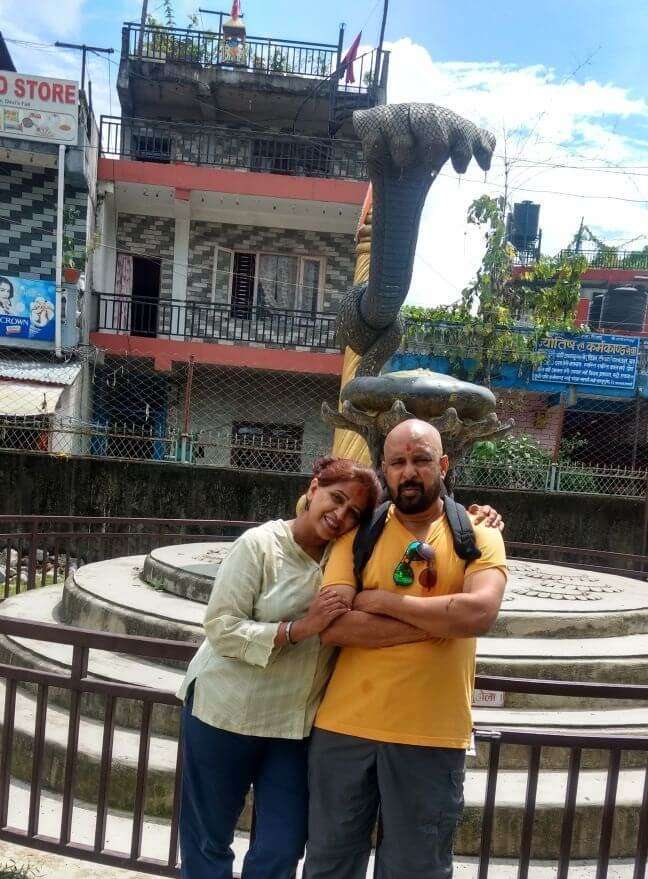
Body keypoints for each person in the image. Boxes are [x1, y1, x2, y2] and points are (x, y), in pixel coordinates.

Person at [177, 454, 504, 879]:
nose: (340, 514)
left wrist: (473, 515)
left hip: (293, 726)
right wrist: (300, 628)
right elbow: (221, 627)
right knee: (208, 840)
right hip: (224, 711)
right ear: (313, 489)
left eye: (353, 512)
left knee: (283, 846)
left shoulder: (347, 549)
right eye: (335, 498)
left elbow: (458, 590)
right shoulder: (260, 545)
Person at [303, 420, 508, 879]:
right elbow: (333, 626)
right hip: (343, 731)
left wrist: (382, 602)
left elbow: (479, 614)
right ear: (384, 468)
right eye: (398, 462)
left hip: (431, 736)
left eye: (421, 460)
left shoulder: (478, 535)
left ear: (444, 465)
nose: (409, 472)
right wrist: (439, 623)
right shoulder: (357, 535)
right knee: (329, 865)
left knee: (417, 870)